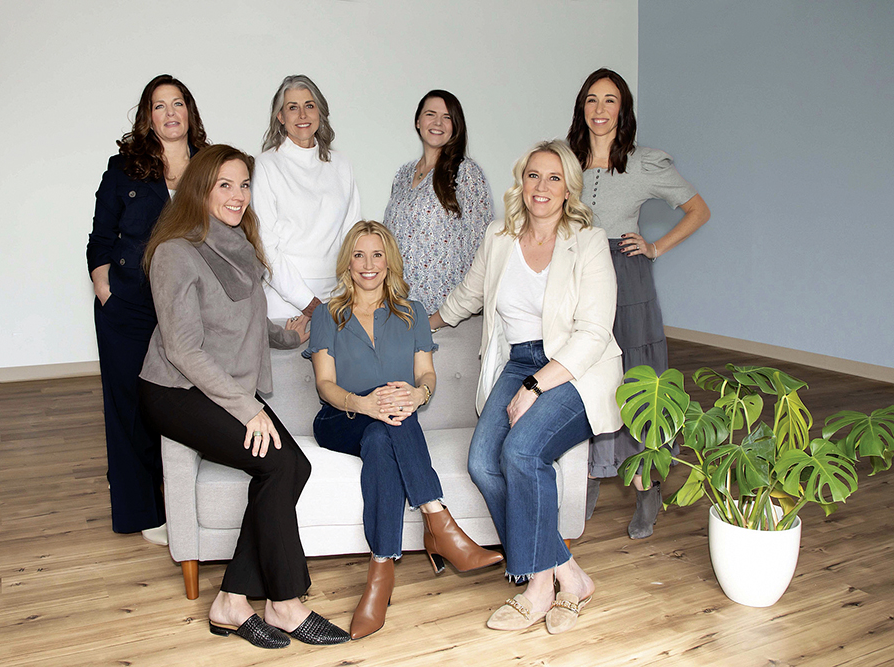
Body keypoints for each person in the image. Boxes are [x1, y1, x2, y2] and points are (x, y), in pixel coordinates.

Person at [138, 145, 349, 649]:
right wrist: (250, 408)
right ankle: (285, 603)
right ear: (200, 189)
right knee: (281, 466)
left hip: (224, 387)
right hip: (176, 391)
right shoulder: (175, 252)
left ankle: (233, 600)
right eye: (224, 185)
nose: (238, 196)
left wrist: (289, 335)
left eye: (244, 185)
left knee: (291, 466)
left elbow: (242, 325)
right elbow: (184, 349)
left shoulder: (239, 243)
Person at [430, 140, 623, 634]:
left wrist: (536, 385)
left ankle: (537, 587)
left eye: (554, 178)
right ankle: (568, 573)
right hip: (518, 363)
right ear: (522, 182)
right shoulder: (499, 237)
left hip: (576, 370)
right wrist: (420, 323)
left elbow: (594, 332)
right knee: (480, 461)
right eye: (534, 176)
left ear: (568, 189)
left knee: (520, 452)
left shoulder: (589, 241)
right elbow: (470, 294)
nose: (542, 187)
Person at [305, 221, 503, 640]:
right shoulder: (328, 313)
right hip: (341, 418)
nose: (368, 264)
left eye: (377, 254)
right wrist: (363, 403)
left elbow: (426, 376)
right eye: (359, 255)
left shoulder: (412, 312)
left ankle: (380, 570)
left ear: (390, 261)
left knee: (388, 424)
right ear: (348, 263)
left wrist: (419, 395)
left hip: (389, 420)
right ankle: (440, 524)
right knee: (386, 406)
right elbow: (325, 385)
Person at [566, 68, 711, 539]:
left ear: (623, 109)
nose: (600, 109)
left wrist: (655, 247)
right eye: (592, 100)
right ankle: (585, 481)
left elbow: (698, 210)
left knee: (635, 379)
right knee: (581, 374)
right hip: (576, 273)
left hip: (625, 275)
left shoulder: (646, 163)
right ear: (581, 108)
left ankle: (649, 489)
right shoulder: (565, 160)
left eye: (610, 100)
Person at [86, 74, 210, 544]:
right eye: (160, 106)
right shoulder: (124, 169)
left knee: (181, 404)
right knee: (129, 406)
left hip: (188, 307)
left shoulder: (208, 166)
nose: (170, 113)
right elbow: (99, 237)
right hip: (130, 305)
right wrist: (105, 288)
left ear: (189, 112)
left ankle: (183, 498)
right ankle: (141, 510)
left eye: (178, 103)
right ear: (148, 116)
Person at [253, 74, 361, 322]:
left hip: (337, 297)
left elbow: (352, 235)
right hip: (284, 300)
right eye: (293, 107)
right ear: (281, 117)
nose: (302, 115)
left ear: (320, 112)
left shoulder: (342, 165)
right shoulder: (266, 165)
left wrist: (349, 295)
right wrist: (306, 301)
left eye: (309, 106)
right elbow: (265, 246)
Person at [383, 90, 495, 314]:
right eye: (430, 114)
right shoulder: (403, 174)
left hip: (445, 312)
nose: (438, 122)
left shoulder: (467, 174)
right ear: (417, 121)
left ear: (456, 125)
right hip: (398, 307)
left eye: (447, 117)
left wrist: (462, 307)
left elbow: (484, 247)